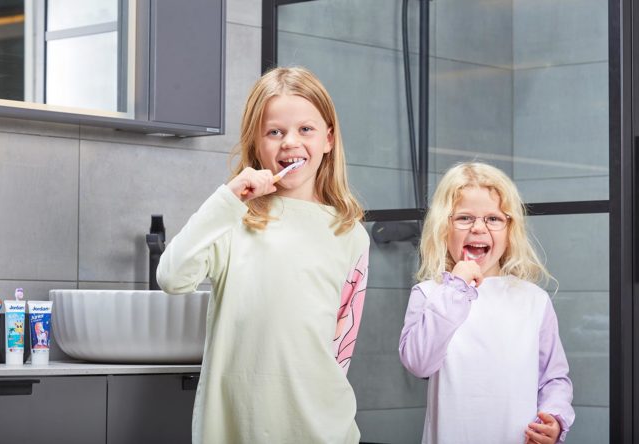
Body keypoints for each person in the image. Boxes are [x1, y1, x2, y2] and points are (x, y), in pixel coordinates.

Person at [157, 66, 370, 444]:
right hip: (238, 424)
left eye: (306, 129)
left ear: (329, 139)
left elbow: (342, 340)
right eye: (275, 132)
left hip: (322, 425)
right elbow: (172, 277)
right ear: (256, 143)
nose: (290, 142)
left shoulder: (349, 232)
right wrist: (228, 199)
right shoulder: (233, 218)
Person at [398, 162, 574, 444]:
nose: (479, 228)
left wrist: (555, 416)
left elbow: (554, 378)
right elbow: (419, 363)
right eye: (464, 218)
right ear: (444, 228)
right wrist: (456, 289)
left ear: (509, 230)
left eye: (493, 219)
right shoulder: (430, 294)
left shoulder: (533, 300)